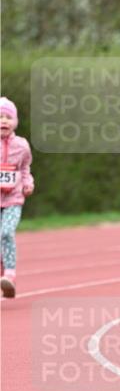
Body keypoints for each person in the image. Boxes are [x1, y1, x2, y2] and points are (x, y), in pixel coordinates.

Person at [1, 97, 34, 298]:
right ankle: (4, 279)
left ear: (15, 121)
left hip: (13, 199)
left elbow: (25, 168)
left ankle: (10, 274)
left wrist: (28, 183)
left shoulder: (22, 146)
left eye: (8, 117)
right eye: (0, 117)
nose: (4, 121)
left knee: (6, 232)